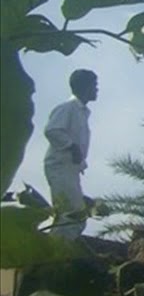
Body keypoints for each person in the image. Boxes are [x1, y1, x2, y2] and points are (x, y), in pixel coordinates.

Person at [44, 69, 97, 239]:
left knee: (73, 214)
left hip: (70, 170)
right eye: (94, 86)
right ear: (85, 87)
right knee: (72, 213)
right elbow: (52, 130)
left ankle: (56, 252)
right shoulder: (68, 108)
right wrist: (71, 146)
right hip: (60, 167)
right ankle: (53, 253)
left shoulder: (81, 113)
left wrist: (80, 162)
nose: (96, 90)